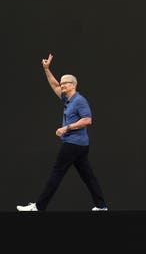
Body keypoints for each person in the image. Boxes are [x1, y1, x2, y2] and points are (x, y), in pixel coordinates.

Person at [17, 53, 108, 211]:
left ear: (73, 85)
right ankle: (101, 206)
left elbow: (88, 120)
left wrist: (66, 128)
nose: (62, 86)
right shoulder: (68, 99)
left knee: (56, 174)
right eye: (62, 83)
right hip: (80, 146)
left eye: (65, 84)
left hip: (72, 144)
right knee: (88, 177)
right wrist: (46, 69)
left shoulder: (80, 100)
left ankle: (39, 206)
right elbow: (53, 85)